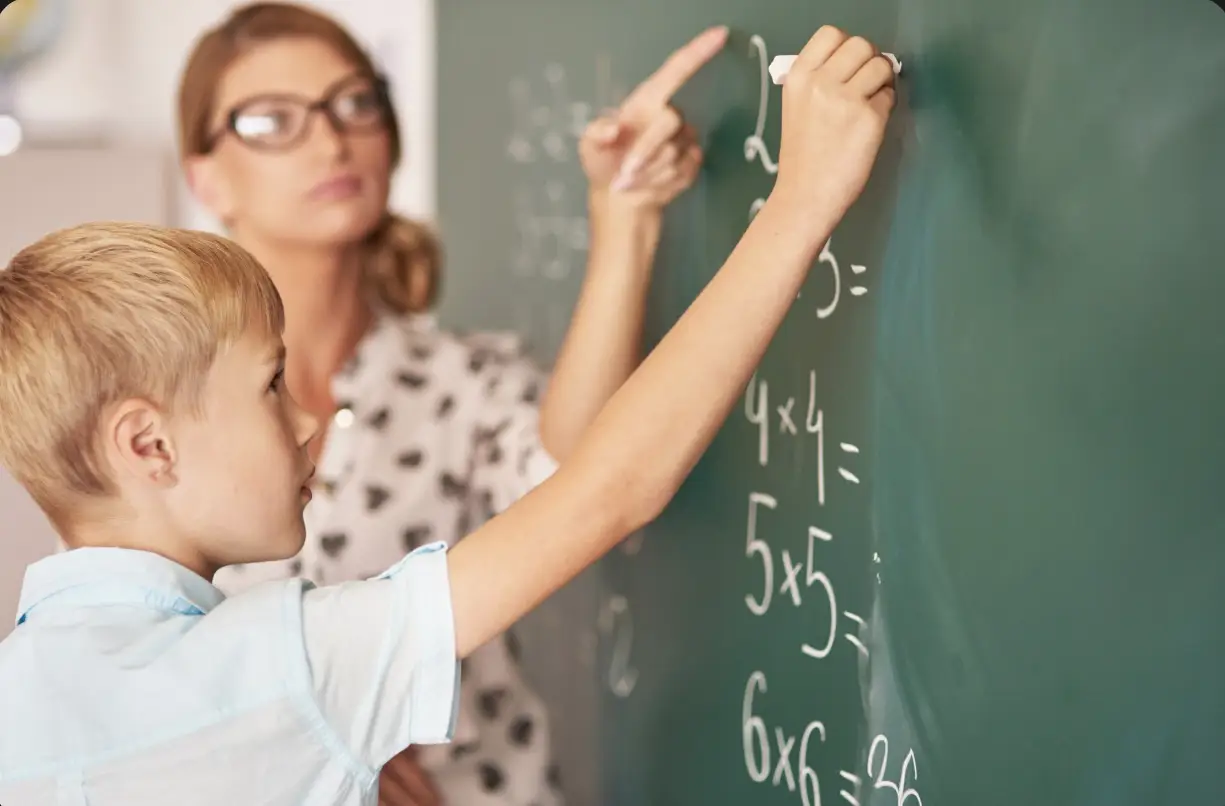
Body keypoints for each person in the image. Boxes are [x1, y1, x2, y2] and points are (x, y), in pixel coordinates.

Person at [0, 24, 898, 806]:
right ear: (146, 445)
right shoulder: (288, 666)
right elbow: (607, 489)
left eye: (354, 103)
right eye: (272, 388)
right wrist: (803, 198)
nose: (310, 422)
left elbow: (572, 471)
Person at [175, 4, 724, 802]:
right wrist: (313, 747)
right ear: (205, 177)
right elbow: (106, 646)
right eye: (271, 121)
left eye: (354, 103)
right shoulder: (160, 409)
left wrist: (625, 216)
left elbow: (576, 485)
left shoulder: (461, 382)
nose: (332, 141)